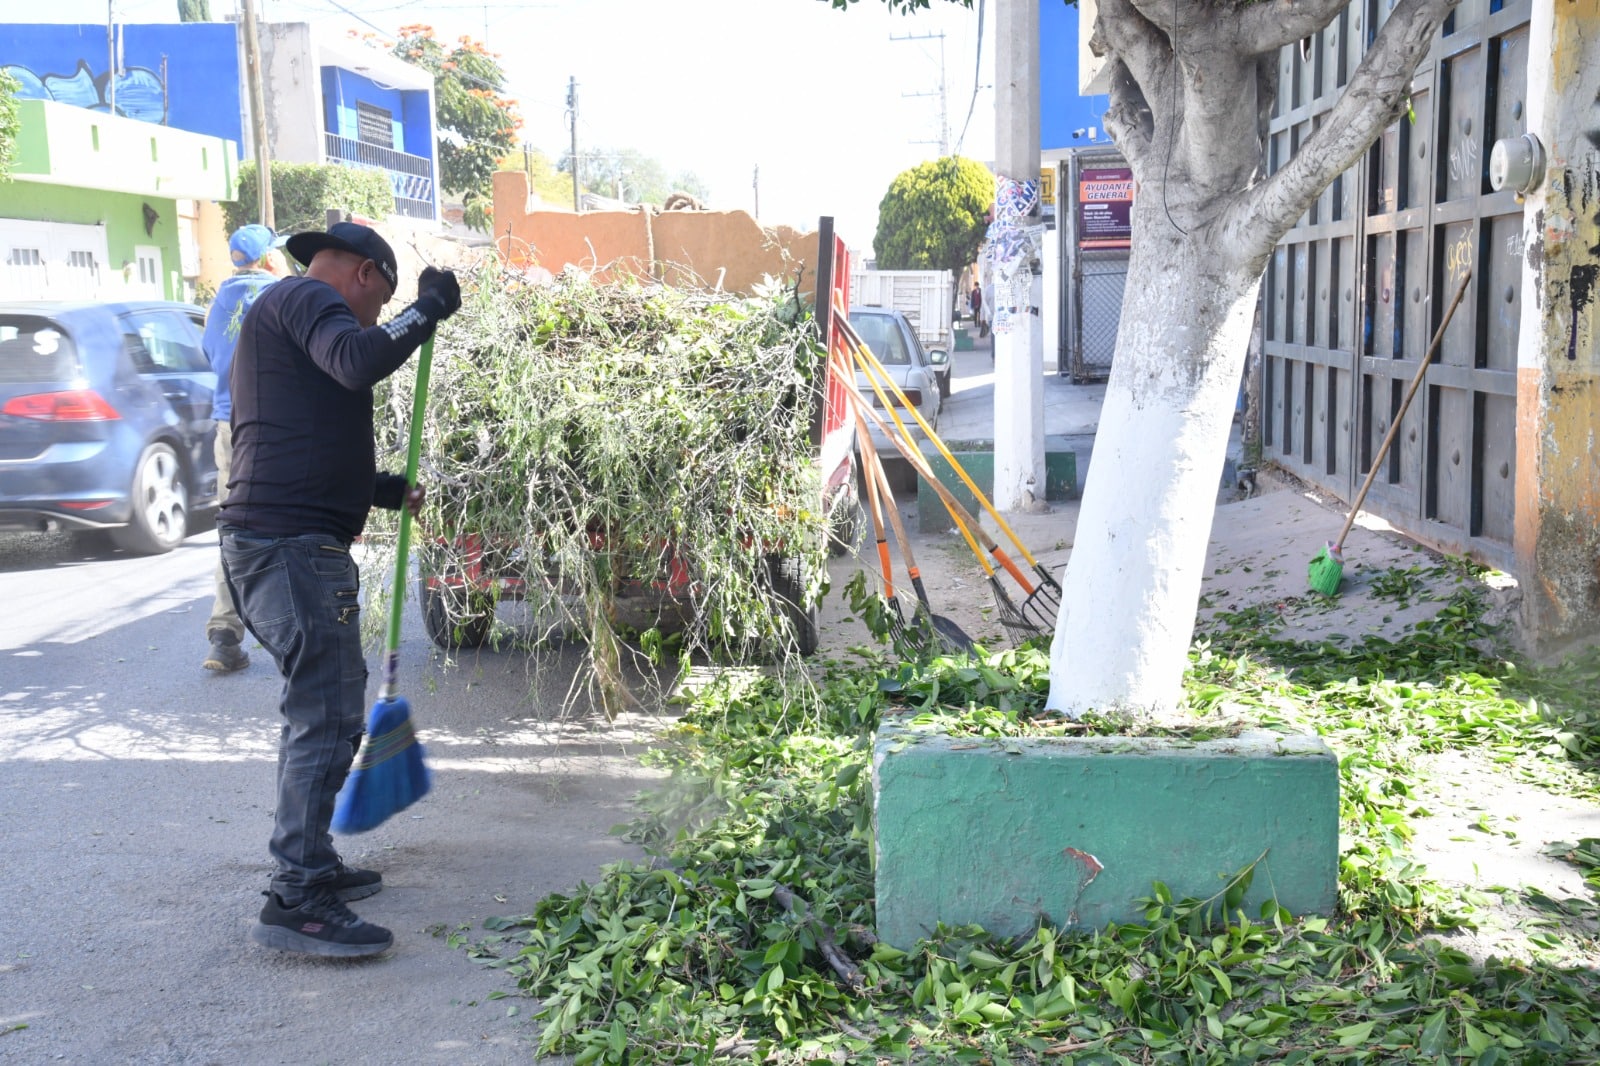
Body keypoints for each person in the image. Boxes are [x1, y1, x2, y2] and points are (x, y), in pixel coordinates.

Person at [218, 222, 461, 957]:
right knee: (325, 714)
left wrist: (385, 490)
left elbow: (309, 432)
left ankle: (313, 862)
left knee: (326, 705)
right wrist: (426, 311)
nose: (373, 318)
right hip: (288, 547)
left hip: (287, 540)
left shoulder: (289, 311)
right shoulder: (307, 300)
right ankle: (297, 898)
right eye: (380, 301)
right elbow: (358, 363)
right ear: (364, 275)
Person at [200, 224, 287, 673]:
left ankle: (223, 636)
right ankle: (300, 635)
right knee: (293, 523)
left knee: (232, 529)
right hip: (274, 424)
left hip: (227, 427)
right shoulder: (282, 294)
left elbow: (211, 354)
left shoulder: (219, 300)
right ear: (271, 258)